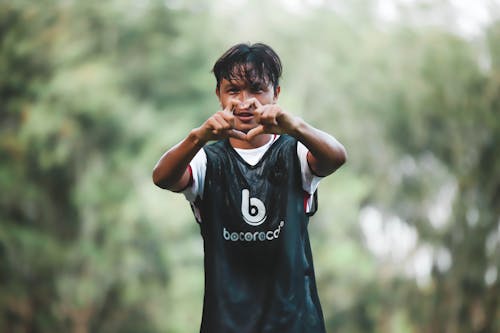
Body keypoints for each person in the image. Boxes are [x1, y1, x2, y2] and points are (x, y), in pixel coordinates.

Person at [152, 42, 346, 333]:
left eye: (257, 89)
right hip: (227, 324)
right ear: (218, 94)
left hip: (294, 324)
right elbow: (163, 177)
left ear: (275, 95)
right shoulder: (206, 159)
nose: (245, 102)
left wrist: (295, 126)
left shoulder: (295, 152)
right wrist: (199, 136)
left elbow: (336, 157)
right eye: (233, 90)